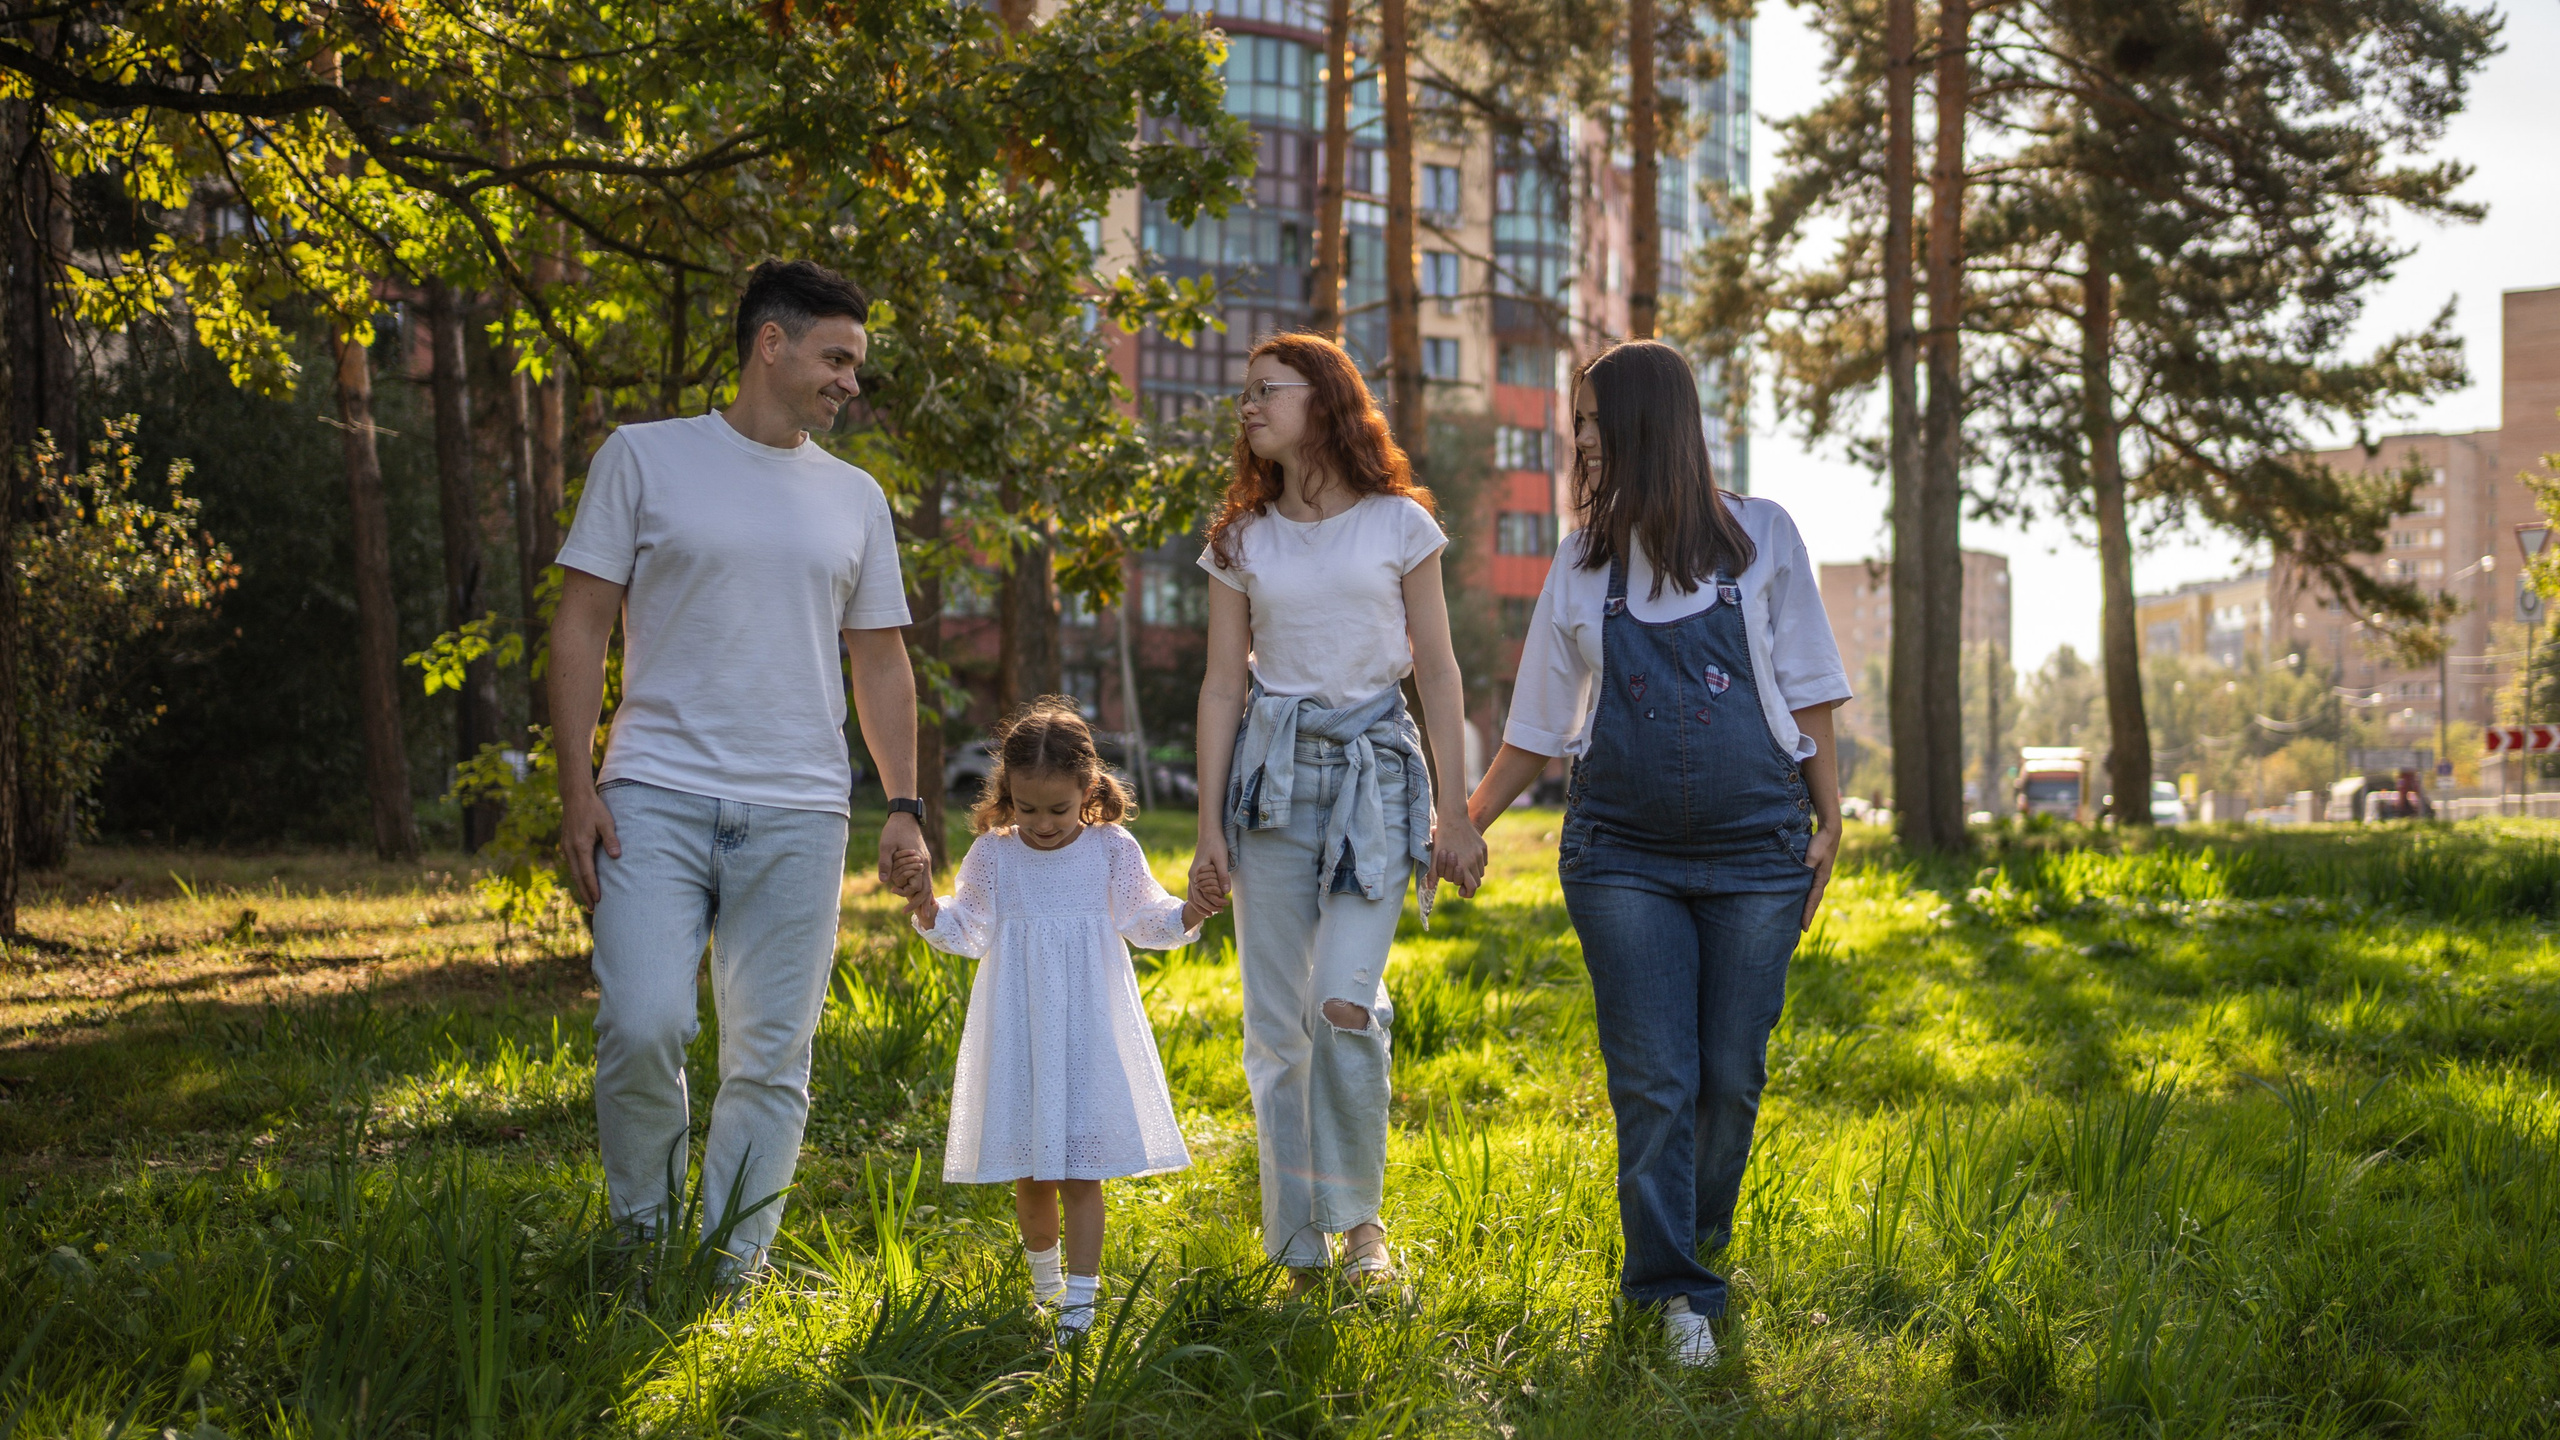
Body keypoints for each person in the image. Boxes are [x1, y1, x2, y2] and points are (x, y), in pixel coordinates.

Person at [1465, 340, 1850, 1366]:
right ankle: (1674, 1292)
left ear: (1641, 421)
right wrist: (1463, 822)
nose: (1577, 438)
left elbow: (1808, 682)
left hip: (1759, 852)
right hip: (1619, 855)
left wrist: (1831, 819)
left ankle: (1698, 1259)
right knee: (1654, 1082)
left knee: (1729, 1078)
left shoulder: (1760, 536)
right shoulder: (1582, 561)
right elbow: (1537, 727)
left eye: (1588, 419)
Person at [551, 259, 934, 1281]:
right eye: (836, 357)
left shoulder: (855, 497)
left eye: (857, 363)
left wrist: (901, 802)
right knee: (643, 1024)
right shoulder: (641, 459)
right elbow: (582, 623)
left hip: (802, 809)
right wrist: (576, 787)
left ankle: (731, 1263)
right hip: (651, 795)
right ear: (772, 343)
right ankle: (642, 1240)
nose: (851, 381)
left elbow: (882, 660)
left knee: (770, 1057)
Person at [1188, 332, 1488, 1289]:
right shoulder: (1241, 538)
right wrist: (1205, 833)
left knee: (1343, 1005)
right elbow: (1220, 690)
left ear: (1323, 401)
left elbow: (1438, 669)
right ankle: (1296, 1246)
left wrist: (1458, 812)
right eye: (1245, 394)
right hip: (1272, 786)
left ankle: (1360, 1224)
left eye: (1265, 390)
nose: (1248, 407)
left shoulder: (1400, 524)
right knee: (1277, 1029)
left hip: (1376, 782)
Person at [895, 699, 1215, 1342]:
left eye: (1058, 809)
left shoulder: (1110, 849)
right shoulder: (994, 854)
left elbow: (1144, 916)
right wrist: (930, 907)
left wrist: (1191, 912)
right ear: (1006, 793)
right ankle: (1043, 1289)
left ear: (1089, 790)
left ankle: (1082, 1299)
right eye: (1027, 807)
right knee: (1031, 1165)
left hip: (1088, 1027)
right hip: (1019, 1027)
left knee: (1080, 1167)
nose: (1041, 823)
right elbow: (970, 927)